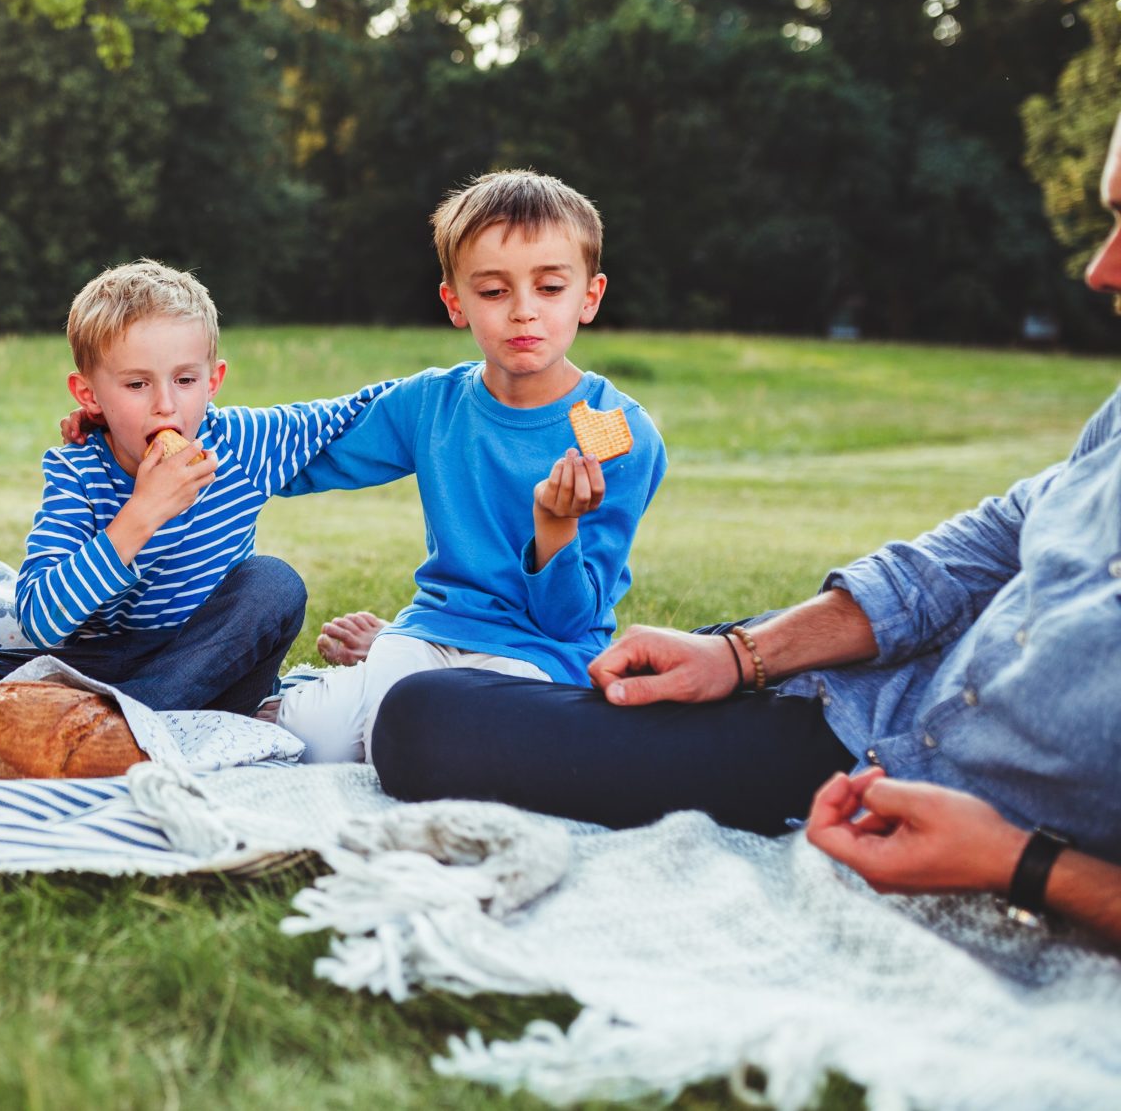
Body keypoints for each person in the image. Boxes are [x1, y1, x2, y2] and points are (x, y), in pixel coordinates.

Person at [365, 110, 1121, 943]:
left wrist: (1019, 863)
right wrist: (737, 655)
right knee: (437, 704)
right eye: (1109, 219)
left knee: (422, 720)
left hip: (904, 781)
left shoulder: (619, 423)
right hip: (838, 697)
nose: (1098, 270)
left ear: (589, 295)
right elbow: (961, 562)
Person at [269, 170, 667, 762]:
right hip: (433, 630)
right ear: (456, 302)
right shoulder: (433, 404)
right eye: (494, 291)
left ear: (590, 296)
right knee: (314, 744)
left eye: (551, 287)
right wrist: (164, 427)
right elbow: (302, 447)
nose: (524, 312)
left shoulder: (623, 435)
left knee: (451, 747)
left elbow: (568, 621)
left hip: (534, 656)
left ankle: (374, 667)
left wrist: (555, 528)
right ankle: (366, 667)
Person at [0, 259, 390, 713]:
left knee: (275, 582)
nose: (166, 406)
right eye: (137, 384)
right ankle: (129, 717)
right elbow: (40, 620)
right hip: (104, 665)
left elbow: (362, 411)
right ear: (88, 396)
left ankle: (126, 724)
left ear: (213, 381)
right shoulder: (78, 471)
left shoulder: (240, 442)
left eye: (185, 380)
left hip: (213, 662)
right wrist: (141, 514)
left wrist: (468, 378)